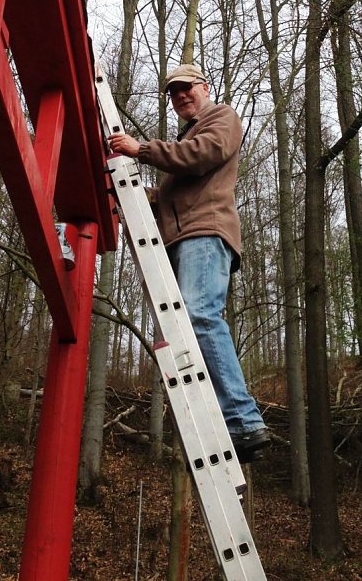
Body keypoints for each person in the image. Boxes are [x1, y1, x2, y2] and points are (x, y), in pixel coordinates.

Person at [108, 63, 269, 462]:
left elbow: (203, 155)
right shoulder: (182, 147)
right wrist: (131, 194)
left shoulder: (221, 117)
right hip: (181, 238)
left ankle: (244, 420)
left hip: (205, 232)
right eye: (174, 93)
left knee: (199, 315)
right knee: (186, 329)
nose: (181, 96)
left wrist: (141, 150)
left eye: (187, 88)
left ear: (205, 87)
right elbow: (170, 197)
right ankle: (225, 423)